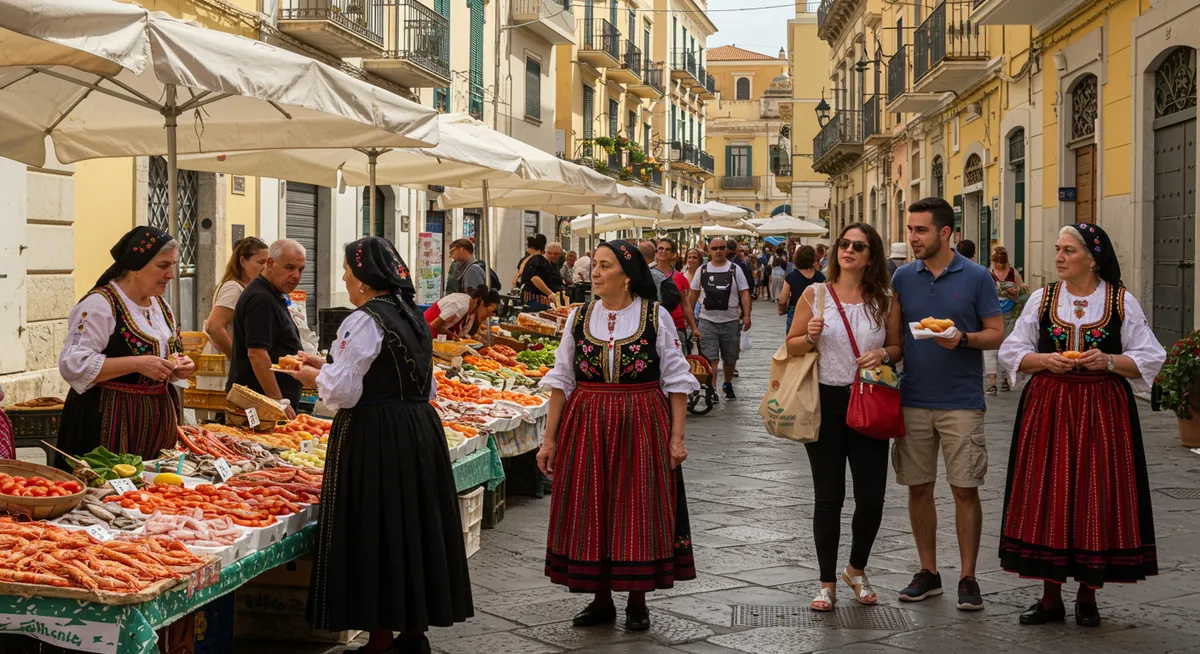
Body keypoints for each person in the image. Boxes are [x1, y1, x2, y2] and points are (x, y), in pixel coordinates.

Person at [284, 237, 473, 654]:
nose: (347, 280)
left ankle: (380, 639)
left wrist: (313, 377)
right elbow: (418, 379)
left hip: (376, 433)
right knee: (411, 525)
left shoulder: (363, 319)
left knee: (376, 526)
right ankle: (412, 632)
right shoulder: (412, 314)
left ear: (366, 279)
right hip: (418, 428)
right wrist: (327, 367)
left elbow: (345, 391)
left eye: (349, 273)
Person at [997, 223, 1163, 627]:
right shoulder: (1042, 297)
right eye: (1056, 249)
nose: (1058, 257)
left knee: (1097, 492)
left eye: (1067, 250)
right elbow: (1012, 349)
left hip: (1103, 409)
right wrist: (1044, 361)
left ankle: (1088, 594)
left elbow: (1149, 356)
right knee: (1046, 491)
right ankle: (1050, 596)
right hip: (1049, 405)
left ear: (1092, 257)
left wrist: (1106, 360)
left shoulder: (1121, 301)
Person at [536, 240, 699, 633]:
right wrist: (550, 439)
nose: (594, 272)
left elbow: (676, 382)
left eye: (604, 266)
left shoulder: (654, 317)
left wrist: (677, 438)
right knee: (593, 507)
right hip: (587, 421)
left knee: (637, 507)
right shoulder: (578, 317)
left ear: (627, 277)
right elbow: (561, 381)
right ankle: (600, 599)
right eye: (595, 265)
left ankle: (637, 600)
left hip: (641, 421)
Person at [890, 198, 1005, 611]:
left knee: (965, 490)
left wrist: (963, 339)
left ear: (944, 233)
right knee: (918, 488)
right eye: (910, 229)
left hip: (962, 401)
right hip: (913, 398)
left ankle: (969, 577)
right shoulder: (903, 277)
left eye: (920, 230)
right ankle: (928, 572)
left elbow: (996, 332)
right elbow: (895, 339)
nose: (912, 238)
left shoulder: (976, 277)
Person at [785, 222, 903, 612]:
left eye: (859, 246)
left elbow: (896, 346)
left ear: (871, 256)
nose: (849, 250)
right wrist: (810, 337)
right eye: (844, 244)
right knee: (828, 497)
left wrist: (883, 355)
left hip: (870, 401)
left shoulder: (884, 298)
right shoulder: (814, 295)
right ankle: (826, 582)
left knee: (872, 498)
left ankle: (856, 568)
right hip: (827, 403)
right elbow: (793, 346)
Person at [56, 226, 195, 467]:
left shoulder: (160, 306)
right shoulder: (100, 305)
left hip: (156, 422)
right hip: (109, 421)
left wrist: (180, 364)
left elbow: (170, 350)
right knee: (109, 490)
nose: (171, 274)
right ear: (136, 266)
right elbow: (73, 364)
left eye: (172, 265)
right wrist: (138, 364)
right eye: (163, 266)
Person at [227, 239, 306, 419]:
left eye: (300, 270)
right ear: (270, 264)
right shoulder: (261, 299)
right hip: (262, 408)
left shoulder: (272, 294)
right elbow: (257, 354)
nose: (296, 275)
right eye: (289, 267)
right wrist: (277, 401)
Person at [685, 237, 751, 401]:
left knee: (730, 358)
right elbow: (692, 295)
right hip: (708, 321)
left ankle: (727, 383)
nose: (719, 251)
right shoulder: (703, 270)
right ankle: (712, 388)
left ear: (726, 250)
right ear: (709, 250)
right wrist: (691, 320)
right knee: (711, 357)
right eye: (715, 248)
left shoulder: (735, 269)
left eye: (722, 248)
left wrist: (747, 315)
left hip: (731, 321)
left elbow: (744, 293)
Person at [203, 237, 268, 359]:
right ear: (242, 261)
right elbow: (213, 327)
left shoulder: (246, 287)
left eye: (267, 262)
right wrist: (237, 358)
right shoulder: (233, 288)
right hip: (228, 371)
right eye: (260, 262)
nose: (264, 267)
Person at [984, 246, 1028, 395]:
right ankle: (992, 383)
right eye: (998, 263)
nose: (1000, 266)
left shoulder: (1012, 273)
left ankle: (1003, 380)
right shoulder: (988, 275)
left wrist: (1017, 289)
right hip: (992, 315)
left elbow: (1024, 288)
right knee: (990, 349)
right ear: (993, 262)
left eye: (1002, 263)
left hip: (1010, 314)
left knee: (1004, 347)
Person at [778, 245, 826, 333]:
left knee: (793, 340)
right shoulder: (821, 277)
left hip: (795, 310)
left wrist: (782, 310)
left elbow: (782, 299)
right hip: (815, 312)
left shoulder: (791, 276)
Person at [654, 239, 692, 349]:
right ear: (656, 252)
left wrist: (694, 328)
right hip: (655, 326)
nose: (663, 251)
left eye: (667, 249)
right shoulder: (648, 275)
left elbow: (686, 304)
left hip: (677, 325)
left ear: (673, 254)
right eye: (660, 248)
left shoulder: (679, 277)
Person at [424, 286, 501, 339]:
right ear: (481, 303)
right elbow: (434, 325)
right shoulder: (461, 305)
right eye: (488, 312)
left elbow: (441, 326)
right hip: (424, 332)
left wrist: (451, 335)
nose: (488, 316)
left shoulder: (468, 306)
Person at [520, 235, 563, 312]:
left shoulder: (552, 264)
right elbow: (534, 278)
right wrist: (550, 293)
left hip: (543, 301)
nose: (553, 256)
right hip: (535, 300)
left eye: (556, 254)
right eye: (550, 253)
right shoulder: (538, 260)